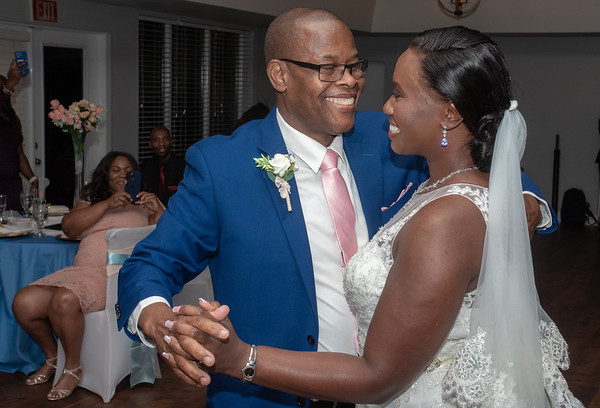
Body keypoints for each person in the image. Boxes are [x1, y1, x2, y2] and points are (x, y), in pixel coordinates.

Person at [116, 9, 556, 408]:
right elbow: (152, 262)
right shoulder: (222, 165)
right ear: (279, 74)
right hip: (274, 394)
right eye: (329, 68)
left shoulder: (391, 137)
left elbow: (476, 157)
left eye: (354, 65)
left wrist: (523, 200)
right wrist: (158, 320)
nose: (350, 81)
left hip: (392, 386)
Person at [12, 151, 164, 401]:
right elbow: (70, 227)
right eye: (115, 169)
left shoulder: (143, 206)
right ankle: (52, 357)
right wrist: (107, 204)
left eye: (128, 171)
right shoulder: (92, 199)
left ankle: (72, 368)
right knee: (23, 302)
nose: (122, 175)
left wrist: (158, 208)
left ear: (134, 176)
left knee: (64, 300)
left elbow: (163, 240)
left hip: (114, 277)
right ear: (106, 174)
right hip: (80, 273)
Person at [0, 59, 38, 210]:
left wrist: (32, 179)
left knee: (17, 227)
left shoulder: (13, 119)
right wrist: (9, 83)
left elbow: (19, 153)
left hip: (13, 186)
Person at [140, 125, 186, 205]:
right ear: (150, 144)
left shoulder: (183, 167)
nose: (161, 144)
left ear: (171, 141)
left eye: (165, 139)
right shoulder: (145, 167)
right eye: (156, 140)